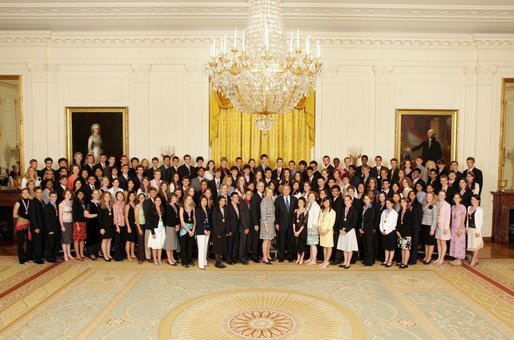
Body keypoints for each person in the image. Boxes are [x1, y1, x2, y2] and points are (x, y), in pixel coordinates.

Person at [274, 184, 297, 262]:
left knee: (290, 241)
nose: (286, 191)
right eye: (284, 189)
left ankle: (290, 256)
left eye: (288, 189)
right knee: (281, 241)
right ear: (282, 190)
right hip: (281, 224)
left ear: (290, 190)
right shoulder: (278, 200)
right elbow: (276, 212)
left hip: (291, 224)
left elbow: (296, 213)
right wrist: (276, 223)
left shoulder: (294, 199)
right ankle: (281, 257)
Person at [337, 195, 358, 269]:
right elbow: (340, 220)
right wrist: (340, 229)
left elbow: (354, 223)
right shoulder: (343, 209)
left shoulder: (354, 210)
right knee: (344, 247)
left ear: (351, 201)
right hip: (342, 230)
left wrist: (346, 230)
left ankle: (348, 262)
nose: (346, 202)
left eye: (348, 200)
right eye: (345, 200)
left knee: (349, 248)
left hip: (350, 231)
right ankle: (345, 261)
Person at [13, 188, 31, 264]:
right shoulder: (18, 203)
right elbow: (14, 215)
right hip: (21, 224)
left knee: (29, 241)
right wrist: (21, 218)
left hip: (29, 224)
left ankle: (28, 257)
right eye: (24, 193)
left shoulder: (31, 202)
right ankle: (22, 259)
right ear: (21, 194)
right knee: (21, 242)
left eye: (27, 192)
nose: (25, 194)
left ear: (28, 193)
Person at [147, 195, 166, 265]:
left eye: (159, 200)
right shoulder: (152, 210)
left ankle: (159, 259)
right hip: (155, 229)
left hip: (162, 229)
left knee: (160, 245)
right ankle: (155, 260)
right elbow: (150, 222)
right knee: (154, 246)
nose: (158, 202)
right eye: (157, 200)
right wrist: (152, 232)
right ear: (154, 201)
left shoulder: (162, 209)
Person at [380, 198, 398, 267]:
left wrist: (387, 231)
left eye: (389, 203)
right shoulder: (384, 211)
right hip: (384, 232)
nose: (387, 205)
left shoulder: (394, 213)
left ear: (392, 204)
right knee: (386, 247)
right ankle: (386, 260)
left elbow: (393, 224)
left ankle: (390, 261)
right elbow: (381, 222)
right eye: (386, 203)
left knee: (391, 247)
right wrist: (382, 230)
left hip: (391, 232)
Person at [449, 193, 466, 266]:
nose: (456, 199)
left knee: (459, 243)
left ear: (460, 199)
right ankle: (456, 258)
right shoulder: (453, 207)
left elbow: (463, 220)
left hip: (459, 228)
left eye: (458, 197)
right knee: (454, 243)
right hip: (453, 228)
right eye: (455, 197)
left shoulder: (462, 207)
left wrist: (460, 229)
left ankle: (459, 260)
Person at [467, 194, 484, 267]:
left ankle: (473, 260)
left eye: (474, 200)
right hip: (470, 229)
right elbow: (468, 219)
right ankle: (476, 259)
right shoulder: (469, 208)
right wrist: (467, 228)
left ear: (478, 201)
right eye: (472, 199)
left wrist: (478, 231)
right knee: (472, 245)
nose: (473, 201)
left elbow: (480, 221)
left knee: (476, 246)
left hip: (476, 230)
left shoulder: (480, 210)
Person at [260, 187, 276, 264]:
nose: (270, 193)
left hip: (271, 223)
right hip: (265, 223)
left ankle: (268, 255)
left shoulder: (270, 200)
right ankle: (264, 257)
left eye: (271, 192)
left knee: (269, 239)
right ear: (265, 193)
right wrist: (266, 225)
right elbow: (263, 214)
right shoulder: (264, 201)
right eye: (268, 192)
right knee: (266, 240)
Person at [212, 196, 229, 268]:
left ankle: (220, 262)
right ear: (218, 201)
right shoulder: (215, 209)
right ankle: (217, 263)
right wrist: (217, 233)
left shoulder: (226, 209)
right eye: (221, 201)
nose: (223, 202)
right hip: (217, 232)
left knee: (221, 247)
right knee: (217, 248)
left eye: (224, 201)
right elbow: (214, 222)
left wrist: (228, 230)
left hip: (224, 231)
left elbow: (227, 220)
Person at [359, 195, 376, 266]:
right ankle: (365, 259)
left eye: (367, 199)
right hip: (362, 229)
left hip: (368, 230)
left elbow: (370, 221)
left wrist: (364, 230)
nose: (366, 200)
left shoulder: (372, 209)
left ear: (370, 200)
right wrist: (360, 228)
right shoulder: (363, 208)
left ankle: (370, 261)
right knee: (364, 245)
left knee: (369, 246)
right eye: (365, 199)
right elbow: (360, 219)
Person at [179, 195, 195, 268]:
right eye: (188, 199)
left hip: (192, 229)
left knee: (190, 246)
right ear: (185, 200)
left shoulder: (193, 208)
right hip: (184, 230)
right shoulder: (182, 208)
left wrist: (193, 230)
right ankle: (184, 262)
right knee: (183, 246)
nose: (189, 200)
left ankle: (189, 260)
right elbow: (182, 221)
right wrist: (188, 230)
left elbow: (195, 220)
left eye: (190, 199)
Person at [318, 198, 335, 268]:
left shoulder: (333, 212)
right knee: (324, 246)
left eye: (327, 202)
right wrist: (319, 229)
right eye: (325, 202)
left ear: (330, 203)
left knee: (329, 246)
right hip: (321, 230)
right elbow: (319, 220)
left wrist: (326, 231)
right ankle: (325, 261)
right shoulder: (321, 210)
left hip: (328, 231)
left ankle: (327, 261)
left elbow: (332, 223)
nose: (326, 203)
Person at [84, 189, 101, 260]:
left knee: (99, 237)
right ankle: (91, 253)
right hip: (91, 223)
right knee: (92, 238)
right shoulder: (89, 203)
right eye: (95, 194)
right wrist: (97, 215)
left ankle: (98, 252)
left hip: (99, 223)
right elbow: (86, 215)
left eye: (97, 193)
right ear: (92, 195)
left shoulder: (101, 202)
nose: (96, 195)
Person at [435, 190, 451, 265]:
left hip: (444, 226)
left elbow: (448, 217)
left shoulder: (447, 205)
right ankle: (439, 257)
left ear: (445, 196)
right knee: (438, 242)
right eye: (440, 195)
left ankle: (442, 258)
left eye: (443, 195)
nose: (441, 196)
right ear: (438, 195)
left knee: (443, 242)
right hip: (438, 225)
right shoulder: (437, 203)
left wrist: (446, 228)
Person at [396, 198, 413, 269]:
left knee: (406, 248)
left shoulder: (409, 212)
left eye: (404, 202)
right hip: (400, 233)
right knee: (402, 248)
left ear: (407, 203)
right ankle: (402, 261)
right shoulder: (400, 211)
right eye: (401, 202)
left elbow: (408, 224)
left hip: (407, 233)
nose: (402, 203)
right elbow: (399, 223)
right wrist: (397, 231)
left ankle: (405, 263)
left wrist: (402, 233)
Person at [195, 195, 211, 270]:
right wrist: (204, 230)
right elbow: (198, 222)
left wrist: (209, 230)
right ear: (200, 202)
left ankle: (204, 262)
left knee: (205, 248)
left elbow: (209, 220)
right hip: (200, 231)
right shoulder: (198, 209)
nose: (204, 202)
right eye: (202, 200)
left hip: (207, 231)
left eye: (205, 200)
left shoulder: (207, 209)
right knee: (201, 248)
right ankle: (201, 264)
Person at [304, 191, 320, 265]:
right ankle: (311, 258)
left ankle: (313, 260)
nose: (310, 198)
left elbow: (315, 219)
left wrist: (313, 230)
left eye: (312, 196)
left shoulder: (316, 206)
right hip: (309, 226)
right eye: (309, 196)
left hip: (313, 227)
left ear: (315, 197)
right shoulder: (310, 204)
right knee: (311, 243)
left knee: (313, 244)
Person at [164, 194, 180, 266]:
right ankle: (169, 259)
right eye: (173, 197)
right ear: (170, 198)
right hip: (170, 226)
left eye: (175, 197)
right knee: (169, 243)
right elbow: (170, 218)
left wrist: (178, 224)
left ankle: (172, 257)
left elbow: (177, 217)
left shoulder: (176, 206)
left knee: (173, 243)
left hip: (175, 226)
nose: (175, 198)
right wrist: (176, 225)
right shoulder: (168, 206)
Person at [98, 191, 114, 261]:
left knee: (109, 239)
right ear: (103, 197)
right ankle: (105, 255)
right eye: (106, 196)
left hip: (111, 226)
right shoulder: (100, 205)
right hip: (104, 226)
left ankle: (108, 253)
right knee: (105, 240)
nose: (107, 197)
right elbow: (99, 218)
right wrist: (101, 228)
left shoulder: (111, 205)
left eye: (108, 196)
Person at [43, 191, 59, 262]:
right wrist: (50, 230)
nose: (54, 198)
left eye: (55, 196)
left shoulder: (57, 205)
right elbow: (46, 219)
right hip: (50, 229)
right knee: (50, 243)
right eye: (52, 196)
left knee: (55, 242)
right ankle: (49, 257)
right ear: (49, 197)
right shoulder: (47, 206)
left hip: (56, 228)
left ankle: (54, 256)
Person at [59, 189, 74, 261]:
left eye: (69, 194)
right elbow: (60, 216)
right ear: (64, 195)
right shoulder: (61, 204)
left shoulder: (71, 202)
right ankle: (65, 254)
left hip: (70, 223)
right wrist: (62, 225)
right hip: (64, 223)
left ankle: (69, 253)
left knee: (69, 239)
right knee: (64, 240)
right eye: (67, 194)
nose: (68, 195)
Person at [72, 190, 88, 260]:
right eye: (79, 193)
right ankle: (77, 254)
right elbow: (74, 214)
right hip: (77, 223)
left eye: (82, 193)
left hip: (83, 222)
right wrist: (77, 224)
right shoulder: (75, 202)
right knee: (77, 239)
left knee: (82, 239)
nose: (81, 194)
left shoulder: (83, 202)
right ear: (77, 195)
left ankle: (81, 253)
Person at [239, 189, 253, 265]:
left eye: (250, 194)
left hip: (250, 226)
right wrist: (245, 227)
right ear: (245, 195)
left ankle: (245, 256)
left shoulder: (250, 203)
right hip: (244, 227)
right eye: (247, 194)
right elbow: (242, 216)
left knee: (248, 243)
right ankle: (242, 258)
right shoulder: (242, 203)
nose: (249, 195)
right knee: (243, 243)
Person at [293, 197, 308, 265]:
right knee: (297, 244)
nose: (300, 204)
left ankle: (302, 258)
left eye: (301, 202)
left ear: (304, 203)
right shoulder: (295, 210)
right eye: (299, 202)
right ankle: (298, 257)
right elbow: (293, 221)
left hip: (302, 230)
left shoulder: (305, 211)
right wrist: (294, 231)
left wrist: (299, 232)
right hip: (295, 230)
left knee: (303, 244)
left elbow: (304, 223)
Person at [113, 191, 127, 261]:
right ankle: (117, 256)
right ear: (116, 197)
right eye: (118, 196)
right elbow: (115, 217)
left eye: (121, 195)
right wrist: (117, 227)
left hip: (124, 225)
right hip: (118, 225)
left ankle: (122, 254)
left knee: (122, 240)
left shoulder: (124, 204)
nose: (120, 197)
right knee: (117, 241)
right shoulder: (115, 205)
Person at [124, 191, 138, 261]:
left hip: (134, 224)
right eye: (130, 196)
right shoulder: (127, 206)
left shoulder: (134, 204)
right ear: (128, 197)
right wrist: (128, 227)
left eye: (133, 195)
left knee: (133, 240)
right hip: (129, 225)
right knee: (129, 241)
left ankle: (132, 253)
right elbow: (126, 217)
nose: (132, 197)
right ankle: (128, 255)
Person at [134, 193, 147, 264]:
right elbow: (136, 218)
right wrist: (139, 228)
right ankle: (140, 258)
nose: (141, 198)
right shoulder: (137, 206)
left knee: (144, 241)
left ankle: (144, 256)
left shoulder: (144, 206)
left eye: (143, 197)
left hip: (145, 225)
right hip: (139, 225)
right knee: (140, 241)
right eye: (140, 197)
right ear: (138, 198)